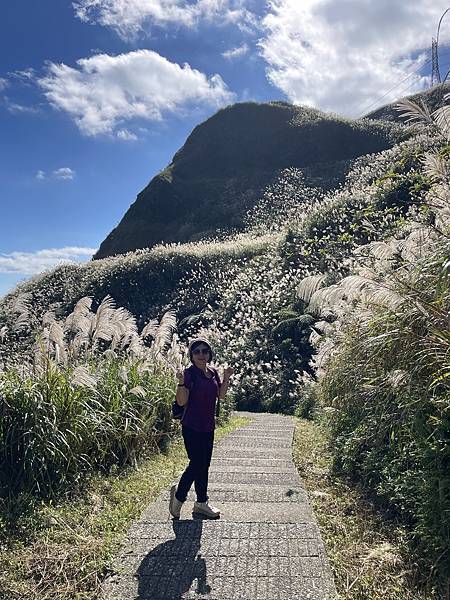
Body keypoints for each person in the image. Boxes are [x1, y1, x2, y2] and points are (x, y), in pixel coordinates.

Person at [169, 337, 233, 519]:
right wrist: (181, 382)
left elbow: (220, 396)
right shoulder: (189, 374)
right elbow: (181, 401)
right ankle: (179, 498)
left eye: (205, 351)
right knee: (197, 463)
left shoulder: (213, 372)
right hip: (191, 426)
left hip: (208, 426)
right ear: (191, 355)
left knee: (204, 465)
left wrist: (226, 377)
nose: (201, 354)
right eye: (197, 351)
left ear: (210, 354)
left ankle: (201, 504)